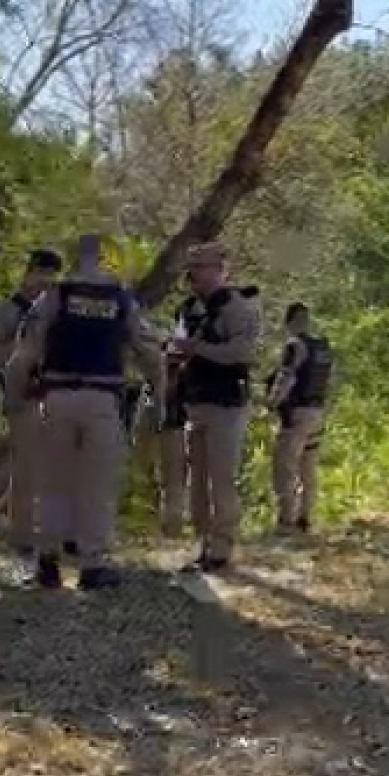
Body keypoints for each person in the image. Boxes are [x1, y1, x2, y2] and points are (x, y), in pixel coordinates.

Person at [5, 233, 164, 589]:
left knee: (53, 482)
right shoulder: (121, 300)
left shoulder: (55, 297)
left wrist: (13, 398)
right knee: (96, 484)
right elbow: (149, 351)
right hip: (102, 400)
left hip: (57, 398)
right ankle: (92, 565)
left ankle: (47, 563)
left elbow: (26, 354)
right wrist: (161, 392)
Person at [173, 243, 261, 573]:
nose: (194, 272)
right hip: (196, 402)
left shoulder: (237, 307)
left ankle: (222, 548)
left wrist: (199, 349)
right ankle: (203, 543)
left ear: (220, 269)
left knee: (221, 479)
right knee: (197, 480)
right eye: (192, 266)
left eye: (202, 266)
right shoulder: (190, 308)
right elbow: (179, 344)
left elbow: (243, 352)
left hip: (226, 404)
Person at [0, 248, 63, 553]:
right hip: (21, 393)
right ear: (31, 271)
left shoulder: (54, 308)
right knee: (25, 464)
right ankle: (21, 531)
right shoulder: (12, 308)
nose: (46, 281)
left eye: (52, 275)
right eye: (43, 272)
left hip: (51, 392)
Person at [268, 302, 334, 533]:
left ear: (289, 322)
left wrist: (272, 402)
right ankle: (305, 517)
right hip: (317, 412)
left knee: (285, 467)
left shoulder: (294, 346)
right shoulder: (322, 347)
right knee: (308, 468)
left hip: (296, 414)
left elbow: (287, 377)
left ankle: (287, 521)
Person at [159, 294, 205, 537]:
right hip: (176, 413)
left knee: (181, 473)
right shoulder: (178, 345)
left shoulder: (196, 346)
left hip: (187, 412)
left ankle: (179, 525)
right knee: (175, 473)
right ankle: (173, 525)